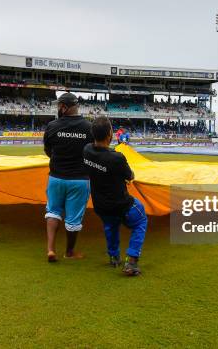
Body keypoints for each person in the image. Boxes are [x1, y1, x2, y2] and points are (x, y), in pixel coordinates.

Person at [83, 116, 147, 276]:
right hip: (122, 205)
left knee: (110, 226)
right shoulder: (116, 158)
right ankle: (131, 261)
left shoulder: (87, 151)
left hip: (101, 205)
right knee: (140, 220)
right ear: (110, 135)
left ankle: (114, 257)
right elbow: (130, 176)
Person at [43, 92, 93, 262]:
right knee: (73, 219)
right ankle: (69, 252)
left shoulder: (52, 126)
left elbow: (48, 151)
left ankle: (50, 249)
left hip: (56, 177)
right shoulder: (89, 127)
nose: (58, 108)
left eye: (59, 105)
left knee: (53, 211)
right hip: (80, 180)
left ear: (64, 107)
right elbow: (95, 152)